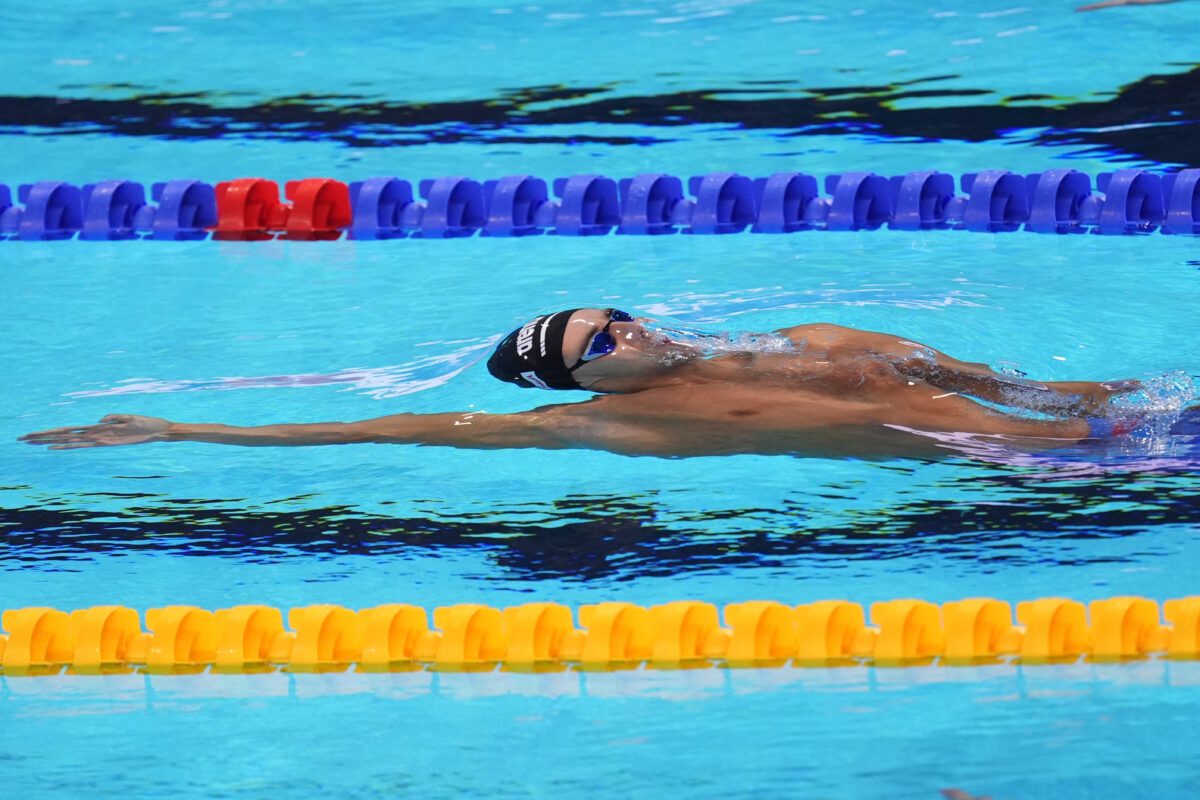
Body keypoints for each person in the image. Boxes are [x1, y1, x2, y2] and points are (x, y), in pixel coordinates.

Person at [18, 307, 1197, 459]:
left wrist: (1131, 398)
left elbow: (1022, 380)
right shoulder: (607, 429)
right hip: (1060, 478)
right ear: (589, 381)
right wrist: (185, 428)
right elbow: (408, 425)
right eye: (598, 342)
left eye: (615, 318)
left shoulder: (812, 331)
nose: (626, 335)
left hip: (1117, 426)